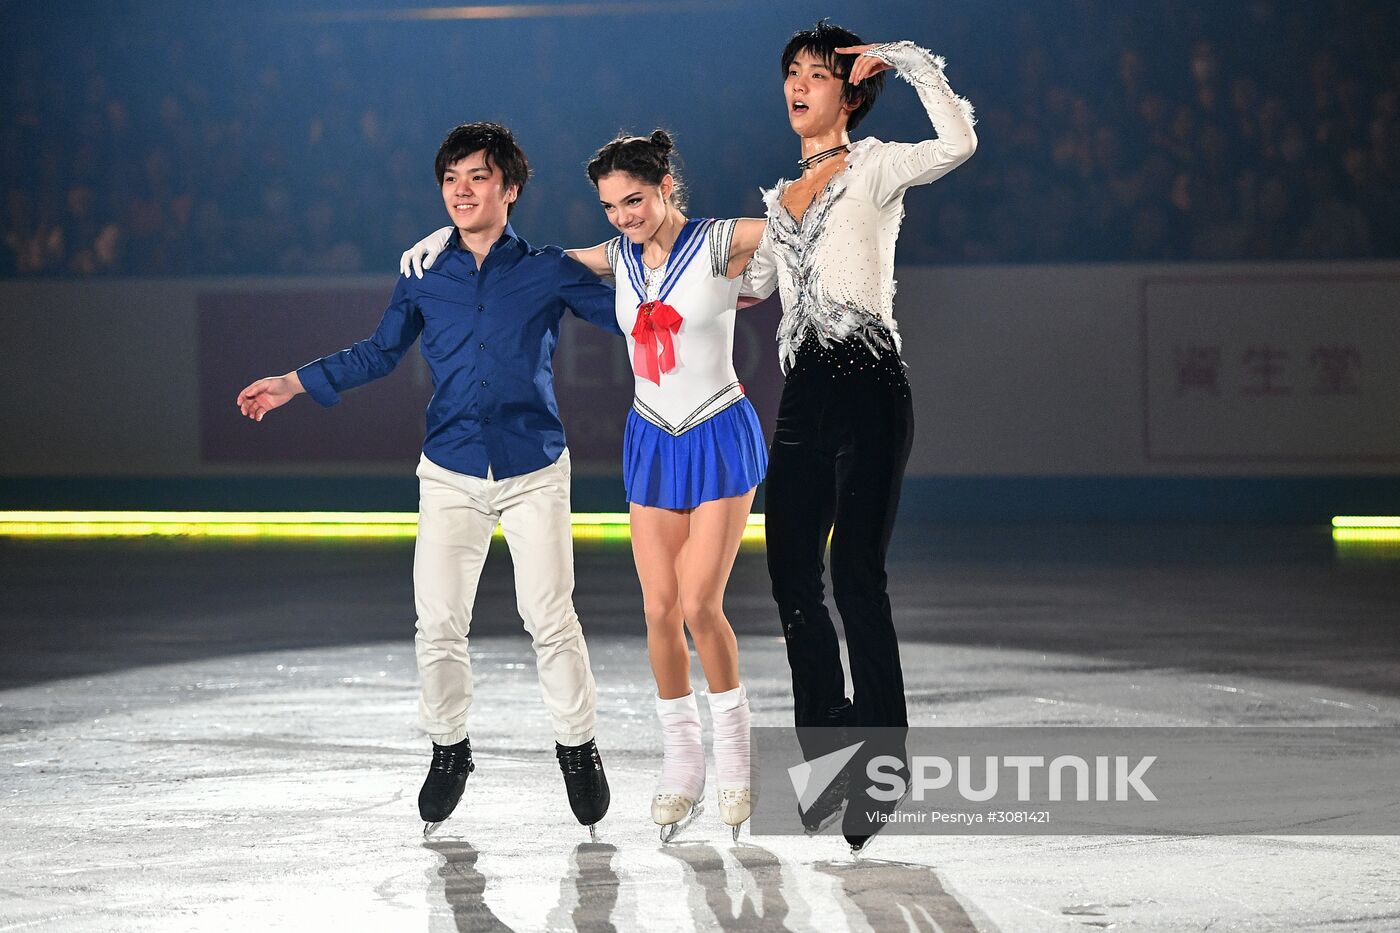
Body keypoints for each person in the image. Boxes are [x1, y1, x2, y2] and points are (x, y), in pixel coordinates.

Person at [237, 122, 620, 840]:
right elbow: (381, 351)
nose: (462, 190)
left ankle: (577, 746)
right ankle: (450, 748)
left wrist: (715, 298)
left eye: (478, 177)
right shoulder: (424, 271)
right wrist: (294, 381)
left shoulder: (545, 268)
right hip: (449, 468)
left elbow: (632, 312)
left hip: (534, 465)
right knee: (439, 622)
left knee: (549, 617)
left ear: (510, 189)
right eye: (451, 179)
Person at [401, 130, 768, 842]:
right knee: (660, 611)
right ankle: (683, 769)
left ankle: (738, 763)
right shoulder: (619, 257)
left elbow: (789, 222)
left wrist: (776, 265)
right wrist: (444, 236)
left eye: (634, 198)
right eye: (610, 205)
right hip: (653, 435)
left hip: (717, 425)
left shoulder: (718, 239)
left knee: (698, 601)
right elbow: (515, 260)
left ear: (666, 185)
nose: (623, 214)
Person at [741, 21, 977, 853]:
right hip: (803, 396)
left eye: (816, 73)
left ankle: (882, 757)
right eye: (791, 74)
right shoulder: (777, 199)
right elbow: (751, 284)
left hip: (871, 389)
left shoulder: (876, 167)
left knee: (854, 573)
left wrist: (911, 61)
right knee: (790, 580)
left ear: (849, 90)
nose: (799, 86)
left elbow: (960, 139)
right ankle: (830, 751)